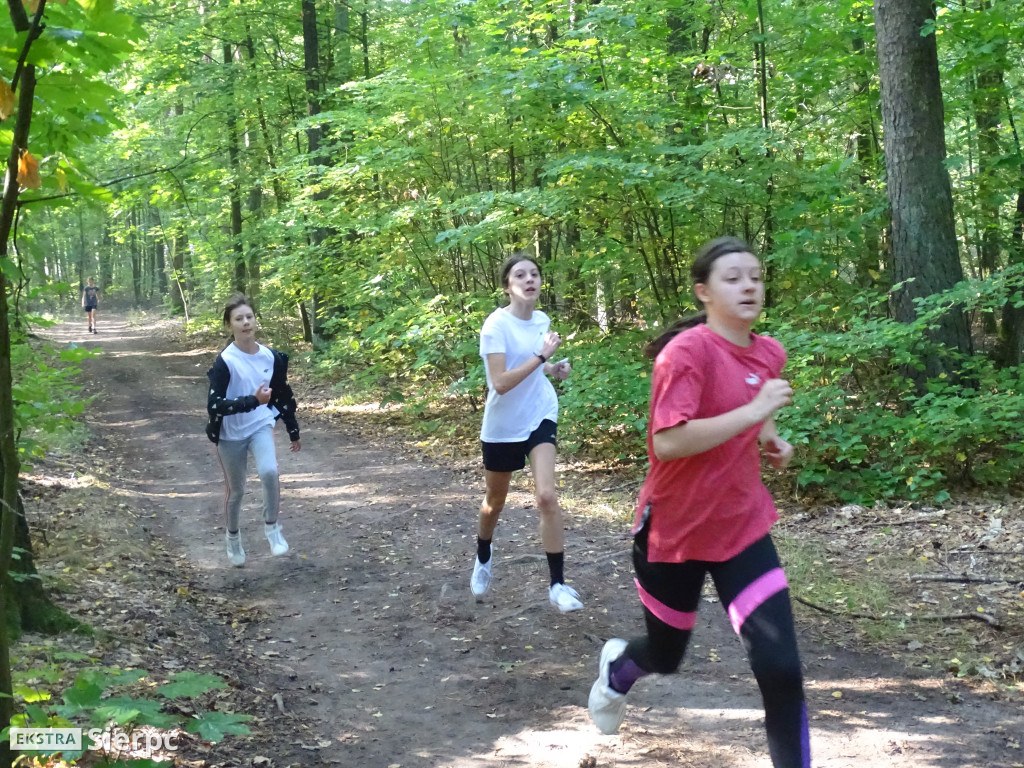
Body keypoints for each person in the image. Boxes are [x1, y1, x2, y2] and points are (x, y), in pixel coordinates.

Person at [587, 237, 810, 768]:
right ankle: (619, 670)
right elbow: (669, 442)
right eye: (733, 278)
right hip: (674, 532)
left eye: (754, 275)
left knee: (781, 669)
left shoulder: (769, 350)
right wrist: (755, 410)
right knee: (665, 656)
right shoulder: (685, 354)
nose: (749, 285)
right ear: (703, 292)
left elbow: (757, 408)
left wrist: (770, 438)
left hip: (741, 529)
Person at [470, 251, 584, 612]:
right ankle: (484, 553)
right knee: (494, 503)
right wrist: (540, 357)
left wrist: (553, 368)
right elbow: (501, 383)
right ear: (507, 286)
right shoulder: (495, 327)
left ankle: (558, 585)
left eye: (534, 273)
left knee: (547, 496)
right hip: (503, 424)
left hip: (539, 413)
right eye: (520, 275)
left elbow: (537, 363)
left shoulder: (542, 319)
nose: (529, 280)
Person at [205, 294, 301, 567]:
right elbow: (214, 405)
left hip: (260, 423)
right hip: (230, 433)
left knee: (270, 472)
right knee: (236, 492)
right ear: (230, 325)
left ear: (255, 321)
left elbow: (282, 395)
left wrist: (293, 429)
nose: (245, 322)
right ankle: (233, 538)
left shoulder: (271, 357)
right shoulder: (226, 361)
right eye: (239, 319)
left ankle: (272, 528)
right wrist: (252, 401)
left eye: (249, 317)